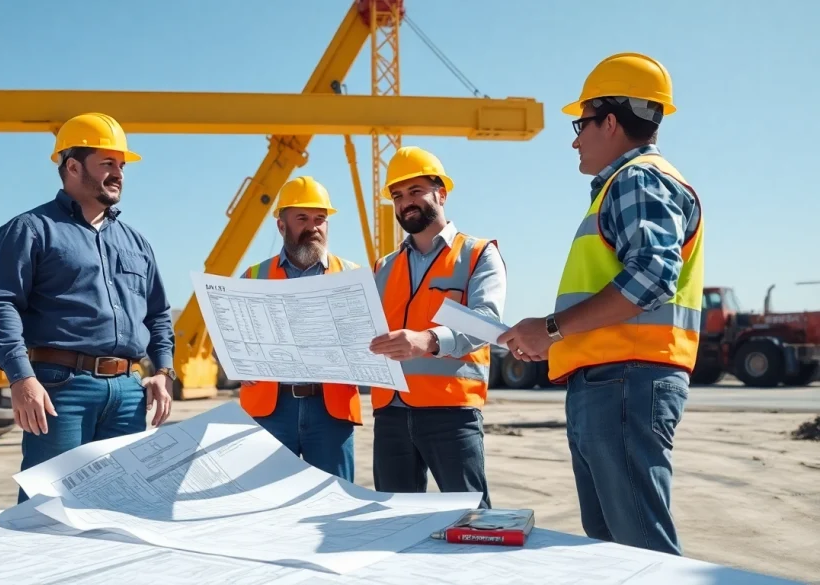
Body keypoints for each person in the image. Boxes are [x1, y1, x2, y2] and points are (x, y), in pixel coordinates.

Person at [497, 52, 702, 556]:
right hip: (614, 381)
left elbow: (652, 276)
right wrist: (555, 339)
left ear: (610, 122)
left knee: (639, 554)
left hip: (624, 383)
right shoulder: (626, 185)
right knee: (613, 552)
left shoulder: (637, 179)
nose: (575, 139)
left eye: (581, 123)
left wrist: (551, 328)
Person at [0, 112, 176, 503]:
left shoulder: (136, 242)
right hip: (61, 389)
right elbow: (1, 304)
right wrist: (21, 378)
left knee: (122, 506)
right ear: (72, 167)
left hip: (128, 392)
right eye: (107, 163)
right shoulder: (31, 229)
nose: (118, 174)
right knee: (48, 507)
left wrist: (163, 370)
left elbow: (158, 314)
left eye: (121, 165)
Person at [366, 146, 507, 508]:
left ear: (441, 194)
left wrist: (428, 339)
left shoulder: (477, 254)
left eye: (415, 191)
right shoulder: (383, 266)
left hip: (451, 411)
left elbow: (486, 321)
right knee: (394, 522)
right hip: (390, 412)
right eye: (398, 196)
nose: (405, 203)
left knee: (472, 520)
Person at [237, 176, 363, 483]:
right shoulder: (253, 277)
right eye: (302, 218)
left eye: (320, 219)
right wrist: (236, 359)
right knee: (267, 500)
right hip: (271, 411)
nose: (313, 227)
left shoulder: (354, 276)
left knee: (334, 502)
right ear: (281, 226)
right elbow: (228, 341)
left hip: (330, 411)